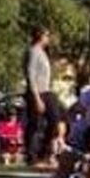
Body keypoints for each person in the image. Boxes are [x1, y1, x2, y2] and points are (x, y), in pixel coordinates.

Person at [23, 26, 60, 166]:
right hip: (37, 92)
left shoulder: (42, 52)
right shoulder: (33, 52)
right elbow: (30, 76)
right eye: (47, 35)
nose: (48, 38)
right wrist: (36, 98)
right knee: (34, 124)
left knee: (55, 120)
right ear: (40, 36)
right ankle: (32, 157)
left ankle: (45, 153)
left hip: (47, 91)